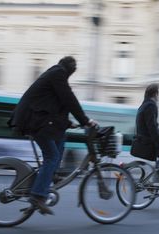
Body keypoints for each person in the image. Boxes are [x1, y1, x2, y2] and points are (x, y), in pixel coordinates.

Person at [8, 56, 97, 215]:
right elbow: (69, 99)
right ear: (70, 69)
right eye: (74, 68)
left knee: (61, 138)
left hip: (40, 119)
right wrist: (85, 121)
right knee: (52, 157)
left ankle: (49, 178)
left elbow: (54, 108)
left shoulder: (55, 74)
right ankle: (38, 195)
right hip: (34, 121)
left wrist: (70, 124)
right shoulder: (58, 74)